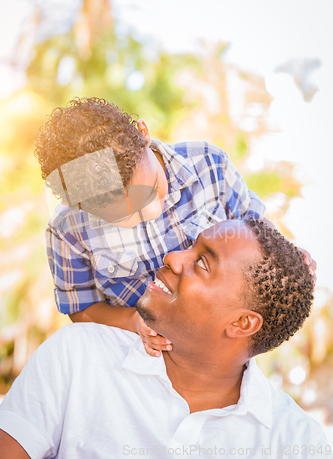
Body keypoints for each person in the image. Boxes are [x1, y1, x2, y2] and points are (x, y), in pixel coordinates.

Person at [0, 219, 327, 459]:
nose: (172, 257)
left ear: (242, 323)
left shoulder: (298, 443)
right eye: (190, 246)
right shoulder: (76, 355)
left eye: (201, 263)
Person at [34, 97, 316, 356]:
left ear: (144, 134)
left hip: (211, 351)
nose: (151, 211)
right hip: (133, 354)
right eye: (122, 216)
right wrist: (132, 321)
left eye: (152, 189)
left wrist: (287, 259)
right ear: (80, 205)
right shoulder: (67, 229)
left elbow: (253, 229)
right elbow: (81, 309)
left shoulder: (209, 164)